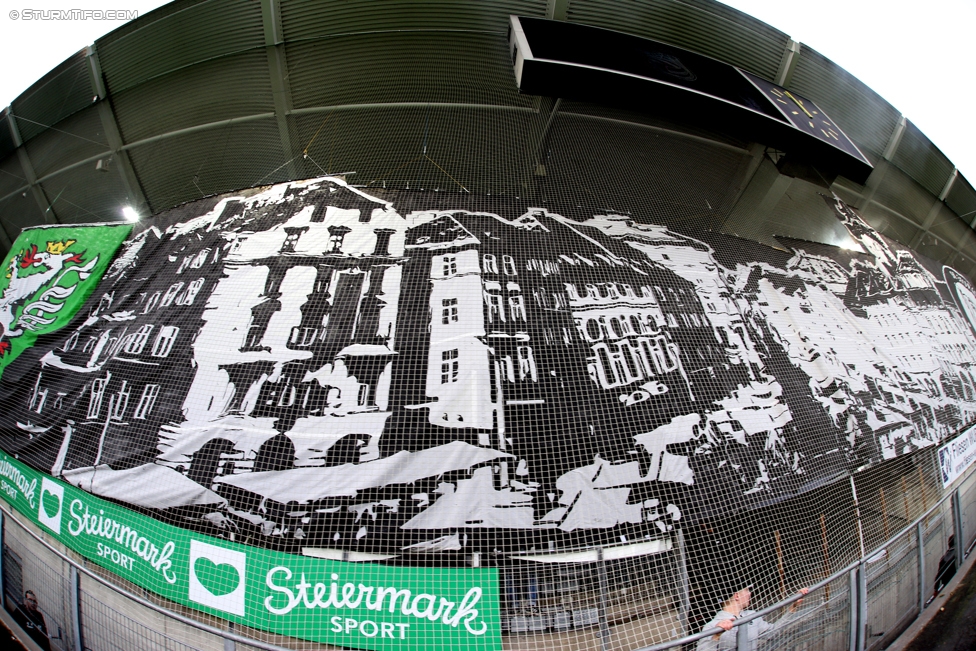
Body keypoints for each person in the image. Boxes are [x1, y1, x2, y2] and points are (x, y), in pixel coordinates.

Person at [696, 584, 809, 651]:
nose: (750, 593)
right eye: (747, 590)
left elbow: (773, 632)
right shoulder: (712, 626)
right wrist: (716, 636)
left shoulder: (752, 616)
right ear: (737, 596)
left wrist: (792, 607)